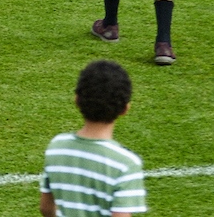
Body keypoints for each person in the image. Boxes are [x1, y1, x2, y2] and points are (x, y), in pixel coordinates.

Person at [39, 60, 146, 217]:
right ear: (125, 109)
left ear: (77, 100)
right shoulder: (126, 163)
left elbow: (45, 208)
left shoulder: (57, 146)